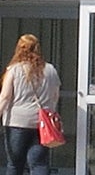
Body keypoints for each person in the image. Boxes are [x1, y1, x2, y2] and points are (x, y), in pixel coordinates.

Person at [0, 35, 59, 175]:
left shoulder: (14, 70)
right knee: (39, 163)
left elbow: (5, 96)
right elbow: (55, 95)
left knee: (15, 164)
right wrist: (50, 113)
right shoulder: (50, 70)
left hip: (16, 122)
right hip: (41, 123)